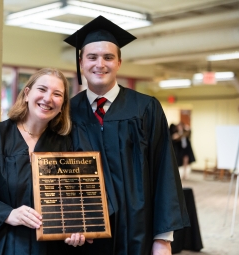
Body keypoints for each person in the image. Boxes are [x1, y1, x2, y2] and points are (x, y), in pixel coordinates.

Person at [64, 16, 190, 255]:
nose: (100, 64)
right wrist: (66, 223)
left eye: (108, 57)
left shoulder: (145, 109)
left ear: (119, 63)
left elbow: (164, 170)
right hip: (85, 236)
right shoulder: (67, 113)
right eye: (92, 57)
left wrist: (163, 239)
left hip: (137, 231)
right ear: (81, 63)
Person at [0, 68, 88, 254]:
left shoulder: (68, 144)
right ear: (27, 93)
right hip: (5, 245)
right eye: (42, 89)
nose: (48, 99)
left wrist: (77, 229)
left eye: (57, 94)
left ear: (62, 104)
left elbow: (80, 197)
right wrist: (8, 213)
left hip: (50, 248)